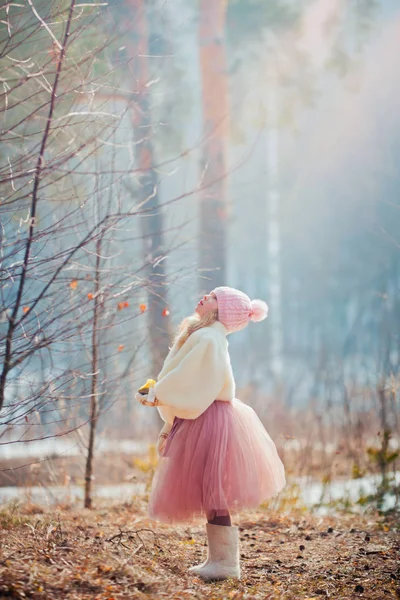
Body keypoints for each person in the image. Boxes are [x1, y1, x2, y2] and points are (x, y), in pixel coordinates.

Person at [135, 286, 285, 581]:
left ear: (222, 310)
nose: (205, 296)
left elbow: (195, 378)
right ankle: (219, 559)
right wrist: (162, 393)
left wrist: (158, 393)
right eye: (209, 293)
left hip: (207, 418)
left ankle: (226, 564)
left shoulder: (208, 337)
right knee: (210, 490)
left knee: (212, 489)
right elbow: (188, 376)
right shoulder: (205, 335)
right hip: (205, 415)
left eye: (214, 297)